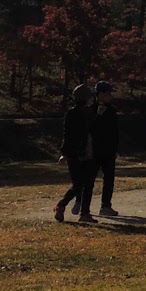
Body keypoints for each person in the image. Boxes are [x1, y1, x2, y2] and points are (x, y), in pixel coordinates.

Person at [55, 84, 99, 224]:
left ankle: (85, 213)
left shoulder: (89, 112)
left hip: (89, 151)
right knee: (79, 184)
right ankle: (62, 205)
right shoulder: (75, 113)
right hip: (78, 152)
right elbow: (68, 135)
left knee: (88, 183)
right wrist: (66, 152)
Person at [91, 80, 121, 217]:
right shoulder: (90, 108)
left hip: (108, 150)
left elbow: (114, 131)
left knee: (109, 179)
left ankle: (106, 206)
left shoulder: (112, 110)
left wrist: (115, 149)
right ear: (100, 94)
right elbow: (89, 128)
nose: (110, 96)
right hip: (94, 150)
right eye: (108, 93)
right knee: (89, 179)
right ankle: (83, 205)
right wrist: (97, 115)